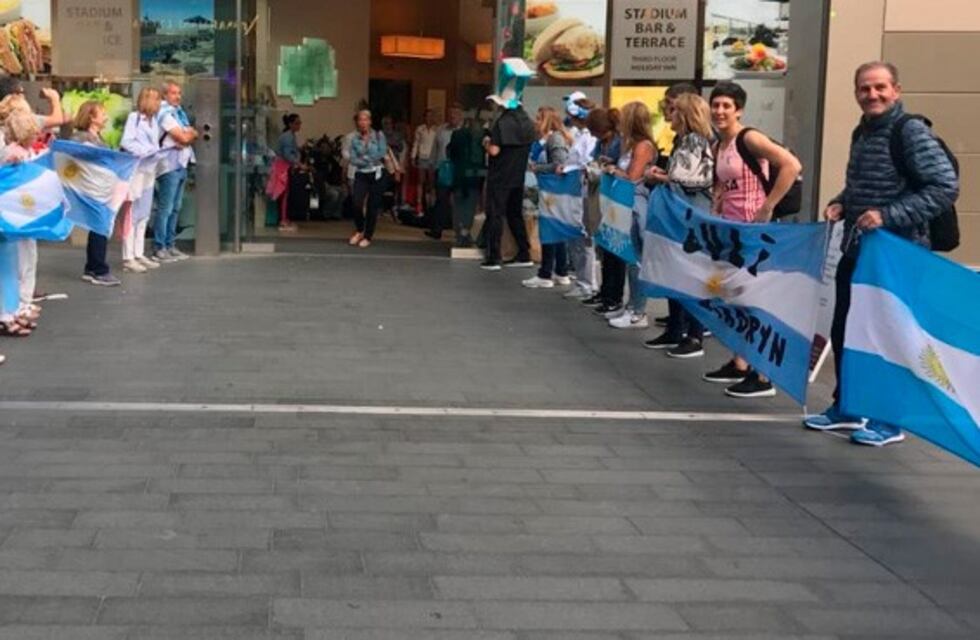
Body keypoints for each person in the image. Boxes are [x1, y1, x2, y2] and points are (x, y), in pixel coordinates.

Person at [805, 61, 958, 446]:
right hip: (858, 251)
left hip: (897, 257)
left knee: (889, 336)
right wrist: (841, 202)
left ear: (896, 90)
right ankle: (848, 405)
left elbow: (944, 186)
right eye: (864, 88)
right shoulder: (863, 131)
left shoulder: (911, 132)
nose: (872, 95)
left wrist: (889, 215)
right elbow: (861, 184)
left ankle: (889, 420)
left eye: (880, 87)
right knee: (847, 330)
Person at [703, 81, 802, 398]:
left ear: (739, 110)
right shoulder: (720, 145)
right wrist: (717, 206)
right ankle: (740, 362)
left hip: (755, 231)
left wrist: (768, 205)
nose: (719, 111)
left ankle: (762, 375)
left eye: (726, 106)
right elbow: (723, 184)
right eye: (715, 105)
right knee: (736, 295)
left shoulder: (750, 138)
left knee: (755, 299)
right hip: (733, 231)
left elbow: (791, 165)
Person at [643, 93, 715, 358]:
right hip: (680, 215)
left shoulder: (694, 141)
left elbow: (691, 180)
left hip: (690, 217)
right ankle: (676, 329)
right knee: (677, 272)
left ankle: (694, 334)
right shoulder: (684, 141)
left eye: (673, 110)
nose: (669, 115)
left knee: (690, 274)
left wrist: (659, 177)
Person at [598, 101, 658, 329]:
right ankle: (631, 304)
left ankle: (638, 311)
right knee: (627, 255)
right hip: (624, 203)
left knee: (635, 258)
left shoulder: (643, 146)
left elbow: (633, 177)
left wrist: (613, 170)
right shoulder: (630, 145)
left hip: (635, 202)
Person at [481, 59, 537, 271]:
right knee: (515, 214)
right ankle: (524, 252)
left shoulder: (502, 123)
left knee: (495, 214)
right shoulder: (527, 122)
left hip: (500, 176)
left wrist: (486, 142)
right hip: (517, 175)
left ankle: (494, 257)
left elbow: (494, 150)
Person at [72, 101, 121, 287]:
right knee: (100, 226)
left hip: (100, 188)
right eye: (102, 113)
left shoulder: (97, 137)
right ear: (92, 118)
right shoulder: (80, 138)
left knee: (98, 227)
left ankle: (92, 267)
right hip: (90, 189)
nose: (106, 117)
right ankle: (99, 269)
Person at [522, 106, 572, 289]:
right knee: (554, 231)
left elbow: (560, 165)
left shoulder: (555, 139)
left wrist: (537, 168)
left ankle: (546, 272)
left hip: (553, 190)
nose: (535, 122)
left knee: (550, 231)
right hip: (546, 189)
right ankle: (560, 271)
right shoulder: (543, 140)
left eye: (538, 118)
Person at [153, 80, 198, 263]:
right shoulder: (165, 114)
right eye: (173, 93)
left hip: (181, 164)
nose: (178, 96)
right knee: (166, 208)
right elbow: (184, 136)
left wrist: (189, 135)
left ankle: (170, 244)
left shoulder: (179, 113)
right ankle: (160, 247)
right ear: (164, 95)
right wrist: (188, 135)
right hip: (168, 166)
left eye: (179, 93)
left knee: (176, 208)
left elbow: (191, 134)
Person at [582, 107, 623, 310]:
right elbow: (594, 159)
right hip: (600, 194)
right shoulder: (601, 143)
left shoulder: (618, 142)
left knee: (615, 250)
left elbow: (621, 166)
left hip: (615, 197)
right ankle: (605, 290)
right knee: (603, 246)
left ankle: (613, 296)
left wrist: (607, 165)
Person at [120, 87, 163, 273]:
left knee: (144, 212)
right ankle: (128, 256)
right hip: (137, 169)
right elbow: (126, 142)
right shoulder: (134, 118)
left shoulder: (154, 121)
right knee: (133, 213)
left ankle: (139, 253)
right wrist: (145, 151)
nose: (159, 103)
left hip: (150, 169)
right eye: (156, 99)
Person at [561, 92, 599, 300]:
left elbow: (588, 164)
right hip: (576, 190)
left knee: (584, 237)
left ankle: (587, 282)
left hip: (584, 190)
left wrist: (567, 169)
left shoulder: (589, 138)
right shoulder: (581, 135)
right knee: (578, 237)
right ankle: (583, 280)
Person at [343, 109, 388, 248]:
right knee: (356, 203)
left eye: (365, 120)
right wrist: (365, 161)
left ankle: (368, 235)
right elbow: (353, 158)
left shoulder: (379, 135)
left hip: (377, 173)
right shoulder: (354, 139)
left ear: (370, 121)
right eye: (360, 120)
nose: (362, 123)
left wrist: (366, 159)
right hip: (361, 173)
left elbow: (381, 152)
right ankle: (360, 229)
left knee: (372, 206)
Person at [426, 104, 464, 240]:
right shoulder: (441, 130)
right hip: (442, 169)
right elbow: (434, 150)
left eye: (456, 114)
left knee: (459, 201)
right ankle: (437, 230)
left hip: (459, 171)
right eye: (451, 114)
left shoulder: (464, 131)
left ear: (461, 116)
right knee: (441, 200)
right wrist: (431, 166)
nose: (453, 116)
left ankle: (460, 231)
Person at [266, 113, 305, 231]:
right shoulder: (288, 137)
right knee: (284, 194)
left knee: (285, 194)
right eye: (297, 123)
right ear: (290, 124)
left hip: (284, 166)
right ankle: (283, 219)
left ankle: (284, 217)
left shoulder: (289, 136)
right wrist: (299, 163)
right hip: (282, 167)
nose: (299, 125)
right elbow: (288, 154)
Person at [411, 108, 439, 215]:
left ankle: (431, 204)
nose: (429, 118)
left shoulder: (437, 129)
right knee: (421, 181)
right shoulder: (420, 129)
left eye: (431, 116)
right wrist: (413, 156)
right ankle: (419, 204)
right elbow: (416, 143)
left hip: (432, 158)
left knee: (431, 182)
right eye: (427, 116)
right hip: (422, 157)